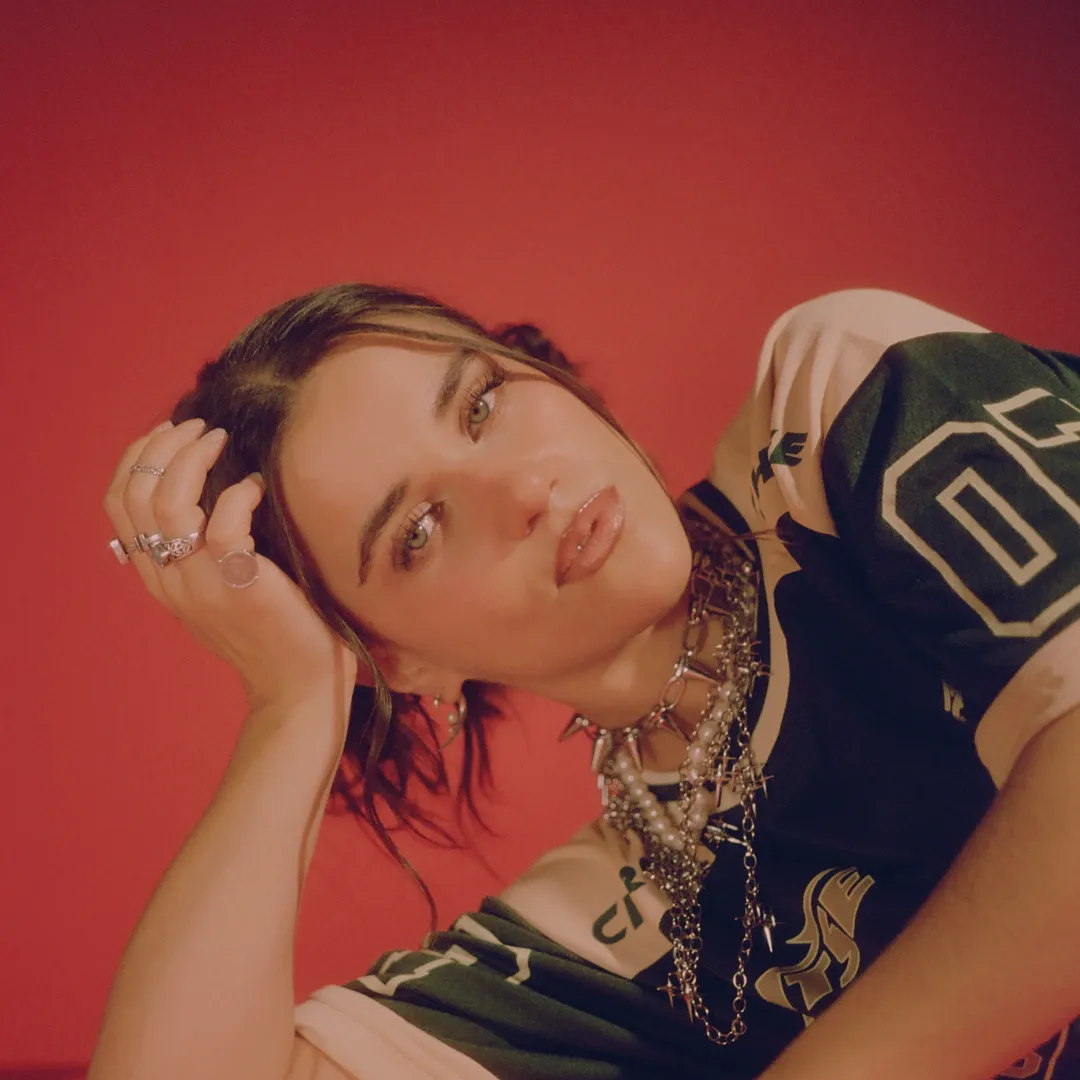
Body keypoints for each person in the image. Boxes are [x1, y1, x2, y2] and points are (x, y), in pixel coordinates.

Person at [93, 285, 1080, 1080]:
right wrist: (295, 704)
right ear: (401, 662)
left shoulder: (829, 410)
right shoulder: (615, 921)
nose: (526, 487)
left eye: (483, 404)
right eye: (419, 531)